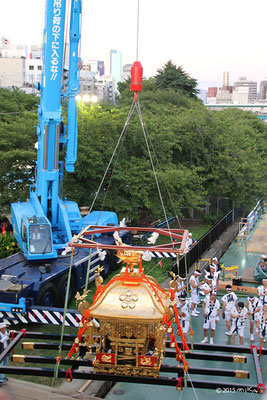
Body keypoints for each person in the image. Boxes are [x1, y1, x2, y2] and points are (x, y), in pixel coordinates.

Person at [0, 321, 10, 386]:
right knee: (1, 364)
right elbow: (1, 341)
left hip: (6, 350)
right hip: (0, 351)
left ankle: (3, 376)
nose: (5, 329)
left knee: (5, 364)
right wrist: (7, 336)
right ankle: (0, 380)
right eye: (3, 328)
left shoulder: (7, 332)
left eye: (5, 328)